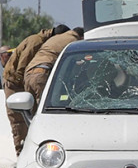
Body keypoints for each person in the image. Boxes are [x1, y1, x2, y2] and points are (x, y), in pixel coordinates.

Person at [3, 25, 69, 153]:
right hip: (15, 84)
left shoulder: (43, 42)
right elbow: (21, 67)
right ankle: (21, 154)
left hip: (22, 82)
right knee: (19, 123)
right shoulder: (36, 41)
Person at [23, 27, 84, 108]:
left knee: (32, 111)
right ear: (82, 37)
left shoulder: (55, 38)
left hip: (28, 73)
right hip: (42, 73)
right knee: (44, 108)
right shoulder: (74, 42)